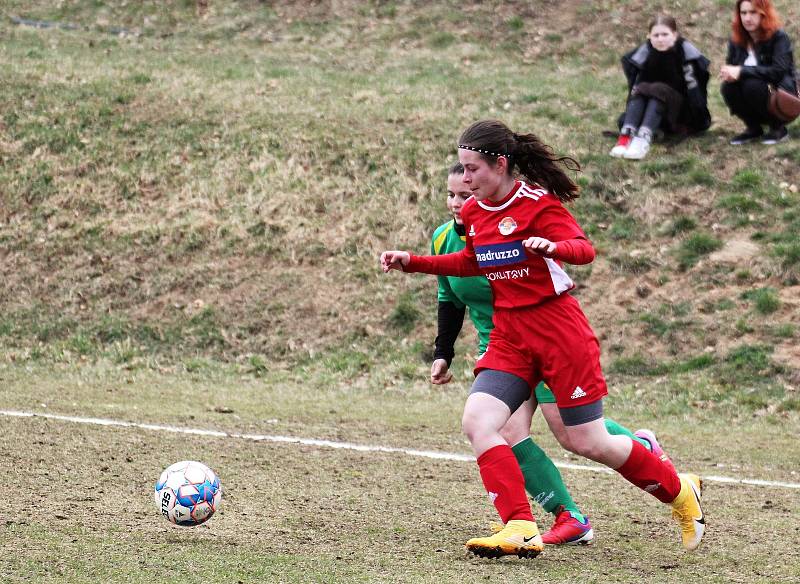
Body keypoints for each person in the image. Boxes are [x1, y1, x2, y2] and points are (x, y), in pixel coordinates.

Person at [381, 120, 705, 558]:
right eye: (462, 169)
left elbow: (584, 249)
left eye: (472, 169)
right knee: (479, 421)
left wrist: (553, 249)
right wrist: (415, 262)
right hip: (510, 335)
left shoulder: (539, 204)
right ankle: (519, 526)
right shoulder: (476, 212)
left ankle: (680, 491)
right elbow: (476, 262)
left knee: (586, 440)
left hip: (558, 333)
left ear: (500, 164)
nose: (466, 179)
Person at [431, 162, 672, 546]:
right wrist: (443, 351)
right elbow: (448, 297)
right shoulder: (444, 239)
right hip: (501, 346)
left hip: (547, 338)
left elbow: (566, 253)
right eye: (451, 195)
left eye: (465, 193)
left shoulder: (510, 220)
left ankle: (642, 450)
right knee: (505, 431)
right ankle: (567, 516)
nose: (458, 202)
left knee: (573, 434)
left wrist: (553, 250)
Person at [610, 14, 711, 160]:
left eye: (665, 34)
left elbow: (695, 90)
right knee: (643, 90)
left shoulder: (684, 53)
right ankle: (625, 137)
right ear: (649, 36)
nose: (660, 39)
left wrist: (698, 120)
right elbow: (636, 86)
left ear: (674, 35)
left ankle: (642, 140)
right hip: (653, 105)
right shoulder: (645, 54)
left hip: (680, 111)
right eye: (656, 35)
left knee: (657, 90)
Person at [720, 0, 797, 145]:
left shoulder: (779, 37)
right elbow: (732, 65)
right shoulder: (736, 40)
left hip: (783, 92)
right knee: (728, 88)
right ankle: (753, 128)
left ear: (763, 14)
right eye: (743, 13)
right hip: (756, 91)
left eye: (753, 12)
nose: (747, 18)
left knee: (751, 84)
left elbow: (778, 72)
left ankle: (778, 128)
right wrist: (729, 72)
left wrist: (741, 71)